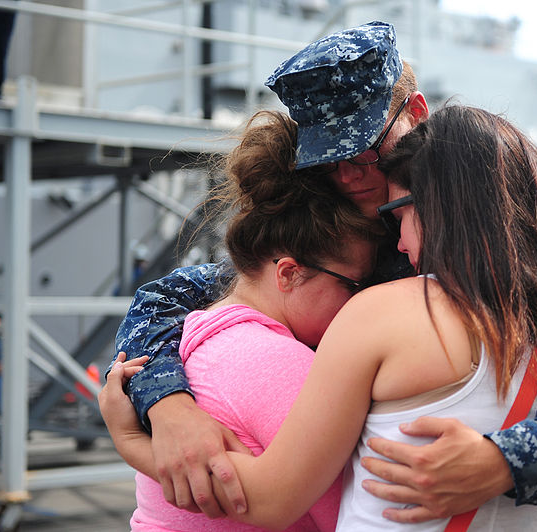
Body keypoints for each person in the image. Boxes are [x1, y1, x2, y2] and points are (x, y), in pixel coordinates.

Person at [110, 22, 537, 531]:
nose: (351, 175)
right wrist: (169, 406)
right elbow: (173, 297)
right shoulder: (345, 224)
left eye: (366, 149)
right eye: (328, 159)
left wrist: (503, 461)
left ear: (417, 112)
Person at [103, 109, 380, 530]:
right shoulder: (277, 363)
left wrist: (134, 440)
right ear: (288, 272)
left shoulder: (195, 331)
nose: (361, 304)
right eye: (354, 286)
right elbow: (356, 514)